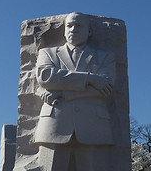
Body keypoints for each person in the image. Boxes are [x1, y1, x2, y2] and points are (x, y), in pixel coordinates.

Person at [35, 12, 116, 171]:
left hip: (93, 124)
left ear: (89, 31)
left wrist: (63, 93)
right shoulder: (48, 53)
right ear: (64, 30)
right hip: (54, 122)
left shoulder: (105, 56)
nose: (73, 29)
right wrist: (89, 79)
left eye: (78, 25)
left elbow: (105, 88)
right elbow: (46, 77)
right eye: (69, 25)